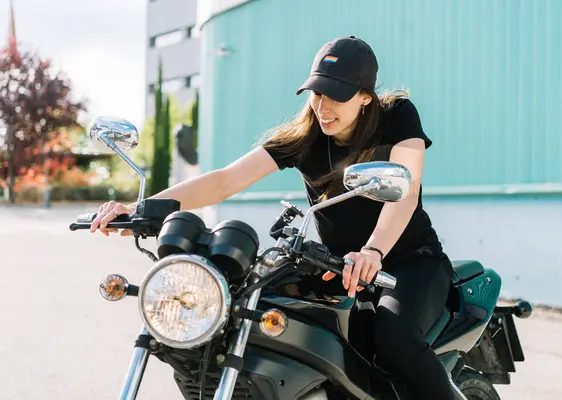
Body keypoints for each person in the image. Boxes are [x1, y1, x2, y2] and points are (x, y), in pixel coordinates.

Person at [90, 36, 456, 399]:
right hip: (334, 266)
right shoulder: (305, 136)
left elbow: (406, 188)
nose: (322, 106)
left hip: (407, 263)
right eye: (316, 92)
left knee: (394, 339)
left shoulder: (396, 117)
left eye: (336, 94)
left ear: (365, 97)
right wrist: (140, 209)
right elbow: (225, 180)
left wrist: (373, 251)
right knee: (251, 318)